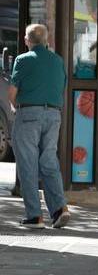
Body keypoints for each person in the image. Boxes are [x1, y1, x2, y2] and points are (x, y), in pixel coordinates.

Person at [7, 24, 70, 229]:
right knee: (49, 161)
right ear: (47, 41)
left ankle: (34, 216)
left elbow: (12, 92)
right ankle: (59, 208)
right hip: (53, 115)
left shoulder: (22, 60)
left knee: (28, 164)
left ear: (27, 41)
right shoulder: (58, 60)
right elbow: (61, 88)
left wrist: (14, 107)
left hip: (29, 115)